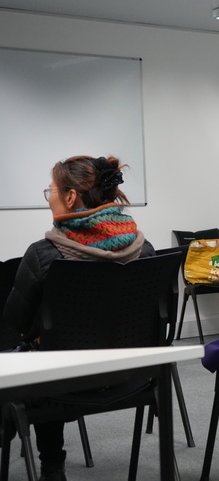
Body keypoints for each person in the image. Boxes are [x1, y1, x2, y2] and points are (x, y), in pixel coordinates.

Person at [3, 155, 154, 481]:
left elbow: (15, 323)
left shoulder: (44, 255)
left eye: (52, 191)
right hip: (130, 377)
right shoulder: (145, 250)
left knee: (35, 362)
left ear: (71, 197)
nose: (50, 199)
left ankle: (51, 467)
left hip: (63, 383)